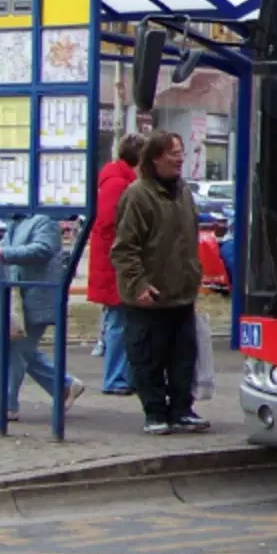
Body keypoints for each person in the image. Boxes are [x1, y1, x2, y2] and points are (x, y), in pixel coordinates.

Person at [112, 130, 207, 435]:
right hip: (149, 297)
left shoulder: (183, 192)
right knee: (148, 358)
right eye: (172, 153)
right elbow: (125, 248)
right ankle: (155, 412)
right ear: (154, 159)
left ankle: (181, 409)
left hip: (181, 293)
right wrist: (138, 284)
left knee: (183, 359)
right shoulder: (138, 195)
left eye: (181, 152)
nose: (179, 159)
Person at [0, 212, 82, 424]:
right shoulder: (16, 221)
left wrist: (3, 253)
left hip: (38, 298)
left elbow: (44, 249)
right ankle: (64, 386)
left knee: (16, 350)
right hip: (21, 298)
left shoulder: (43, 220)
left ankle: (7, 406)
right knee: (23, 350)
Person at [85, 132, 146, 394]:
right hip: (115, 265)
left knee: (123, 320)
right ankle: (116, 378)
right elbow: (112, 225)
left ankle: (123, 377)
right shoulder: (119, 184)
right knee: (119, 321)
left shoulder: (116, 179)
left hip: (112, 262)